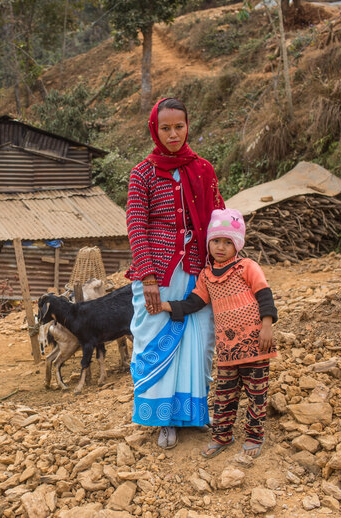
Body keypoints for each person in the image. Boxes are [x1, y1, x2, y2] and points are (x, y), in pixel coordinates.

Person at [126, 97, 225, 449]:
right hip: (159, 271)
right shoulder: (143, 173)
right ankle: (161, 418)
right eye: (165, 128)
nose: (173, 134)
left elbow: (218, 220)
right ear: (155, 129)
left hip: (198, 267)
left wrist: (223, 266)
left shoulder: (203, 169)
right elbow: (136, 225)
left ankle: (192, 413)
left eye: (178, 126)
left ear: (188, 126)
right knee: (153, 336)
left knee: (199, 339)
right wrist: (149, 277)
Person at [160, 208, 278, 458]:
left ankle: (255, 438)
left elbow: (264, 294)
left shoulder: (247, 267)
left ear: (237, 245)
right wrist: (166, 306)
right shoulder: (206, 276)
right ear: (208, 243)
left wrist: (267, 326)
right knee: (224, 395)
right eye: (215, 241)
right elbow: (194, 302)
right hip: (227, 350)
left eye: (228, 242)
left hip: (256, 345)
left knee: (257, 395)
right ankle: (222, 436)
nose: (221, 247)